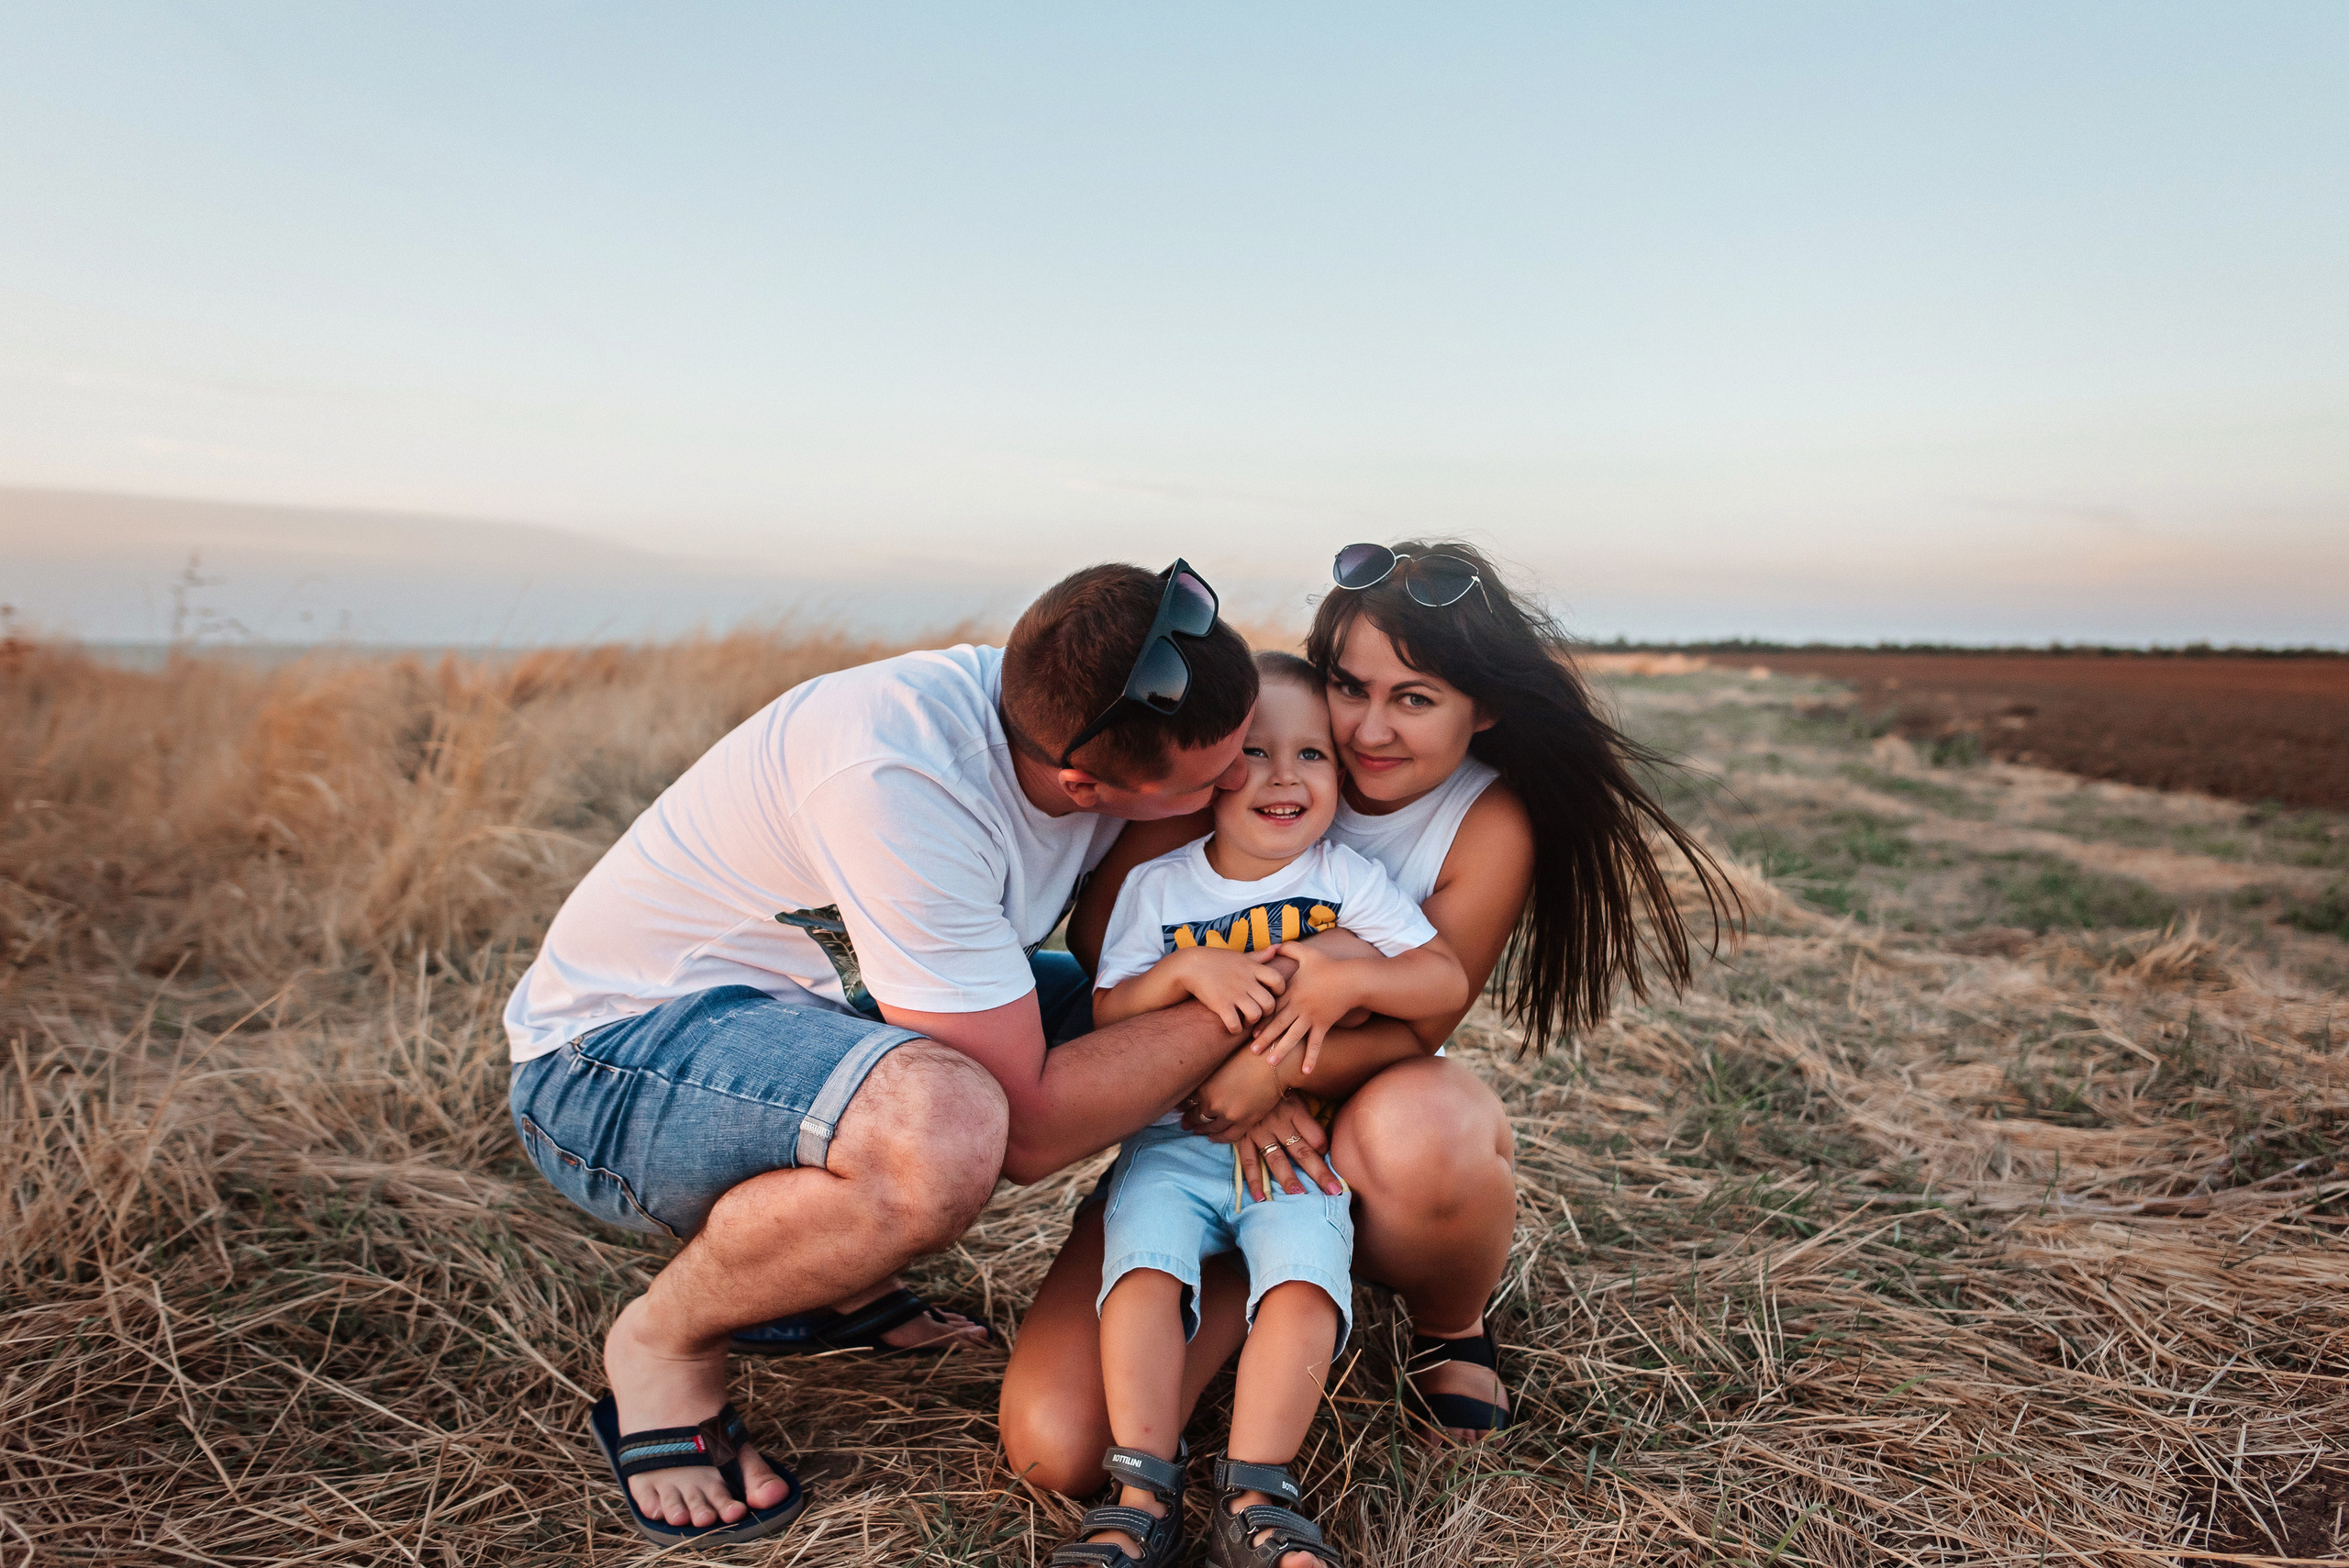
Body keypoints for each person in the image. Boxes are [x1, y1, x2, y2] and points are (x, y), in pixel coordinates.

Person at [504, 561, 1281, 1547]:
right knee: (948, 1127)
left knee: (1118, 1019)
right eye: (1216, 777)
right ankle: (662, 1342)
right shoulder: (898, 771)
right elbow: (1029, 1128)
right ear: (1084, 784)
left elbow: (1116, 942)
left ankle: (827, 1279)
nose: (1245, 780)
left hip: (822, 1021)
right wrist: (1258, 998)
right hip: (612, 1063)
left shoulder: (1076, 712)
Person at [1001, 539, 1734, 1493]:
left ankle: (1447, 1321)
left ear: (1486, 705)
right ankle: (1195, 1262)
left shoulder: (1485, 820)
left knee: (1430, 1126)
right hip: (1197, 1124)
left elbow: (1419, 1020)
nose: (1367, 730)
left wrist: (1276, 1069)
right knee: (1058, 1447)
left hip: (1358, 1114)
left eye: (1415, 697)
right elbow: (1110, 949)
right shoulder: (1254, 748)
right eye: (1349, 686)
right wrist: (1233, 1082)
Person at [1047, 653, 1468, 1568]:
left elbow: (1443, 977)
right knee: (1144, 1274)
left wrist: (1345, 973)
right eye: (1258, 754)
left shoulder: (1347, 878)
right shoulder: (1161, 888)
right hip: (1175, 1141)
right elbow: (1112, 1011)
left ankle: (1258, 1492)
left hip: (1296, 1151)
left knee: (1304, 1283)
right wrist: (1181, 971)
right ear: (1211, 769)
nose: (1285, 776)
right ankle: (1139, 1493)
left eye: (1313, 753)